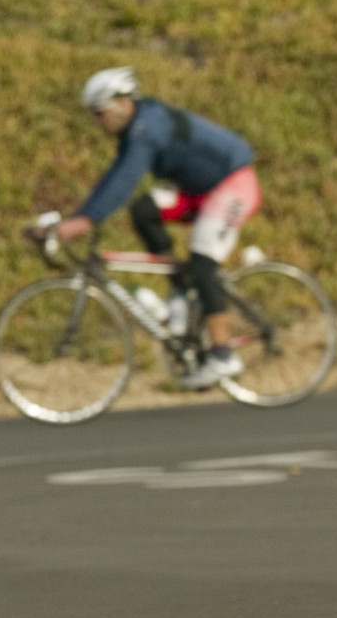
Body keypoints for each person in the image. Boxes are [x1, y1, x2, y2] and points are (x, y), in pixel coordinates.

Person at [46, 67, 262, 389]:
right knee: (144, 209)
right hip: (200, 190)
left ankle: (222, 354)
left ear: (120, 104)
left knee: (203, 265)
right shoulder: (137, 126)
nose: (97, 122)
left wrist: (83, 222)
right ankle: (180, 287)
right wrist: (80, 215)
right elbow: (113, 178)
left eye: (99, 113)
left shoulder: (148, 127)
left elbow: (124, 180)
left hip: (232, 186)